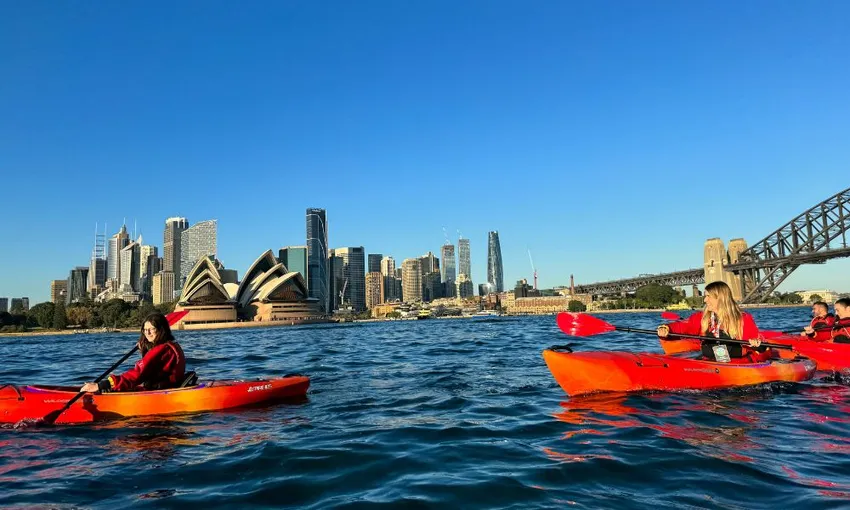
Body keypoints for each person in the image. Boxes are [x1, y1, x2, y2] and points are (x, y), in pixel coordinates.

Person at [657, 281, 767, 362]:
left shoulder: (742, 318)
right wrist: (667, 328)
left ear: (720, 298)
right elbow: (684, 326)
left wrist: (756, 342)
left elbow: (755, 337)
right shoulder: (702, 317)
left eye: (708, 296)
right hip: (709, 361)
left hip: (737, 363)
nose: (705, 300)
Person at [81, 313, 186, 393]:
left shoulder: (160, 350)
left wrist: (104, 385)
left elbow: (138, 373)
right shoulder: (172, 345)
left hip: (160, 392)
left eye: (151, 329)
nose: (147, 333)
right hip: (167, 388)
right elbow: (152, 365)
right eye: (145, 330)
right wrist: (145, 348)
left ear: (161, 330)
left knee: (115, 387)